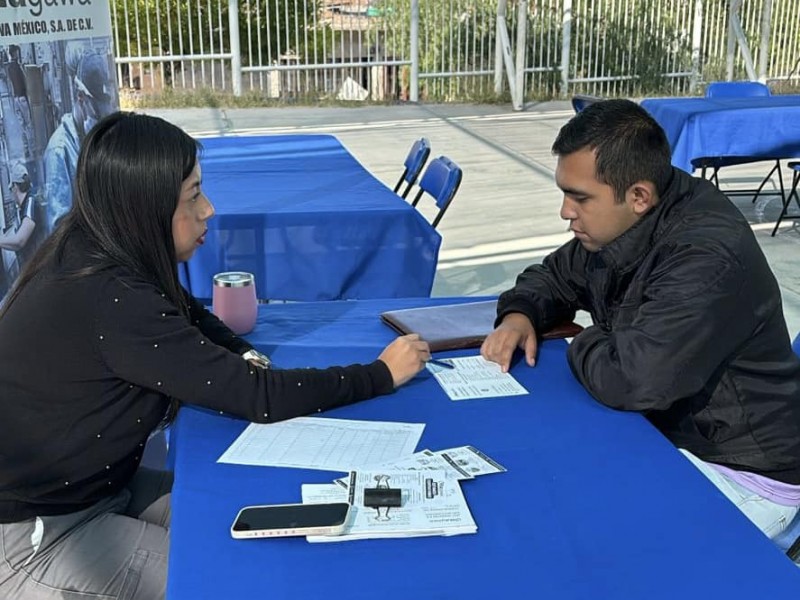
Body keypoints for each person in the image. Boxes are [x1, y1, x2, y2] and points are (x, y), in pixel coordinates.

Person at [0, 111, 432, 599]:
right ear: (146, 206)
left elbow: (189, 313)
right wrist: (379, 374)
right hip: (43, 532)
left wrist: (244, 352)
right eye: (193, 196)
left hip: (100, 487)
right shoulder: (112, 296)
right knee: (230, 579)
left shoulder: (97, 246)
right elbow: (258, 397)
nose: (208, 209)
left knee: (250, 525)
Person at [481, 99, 800, 543]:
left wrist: (586, 337)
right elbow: (553, 276)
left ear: (638, 196)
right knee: (537, 487)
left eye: (580, 198)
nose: (566, 212)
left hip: (743, 471)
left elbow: (631, 381)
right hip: (664, 435)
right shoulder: (623, 225)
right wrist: (519, 314)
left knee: (583, 542)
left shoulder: (705, 256)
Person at [43, 49, 115, 233]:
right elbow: (59, 229)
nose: (100, 121)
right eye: (96, 114)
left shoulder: (97, 137)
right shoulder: (59, 150)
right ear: (80, 97)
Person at [0, 162, 38, 269]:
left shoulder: (30, 201)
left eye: (10, 189)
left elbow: (20, 240)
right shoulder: (24, 205)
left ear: (15, 187)